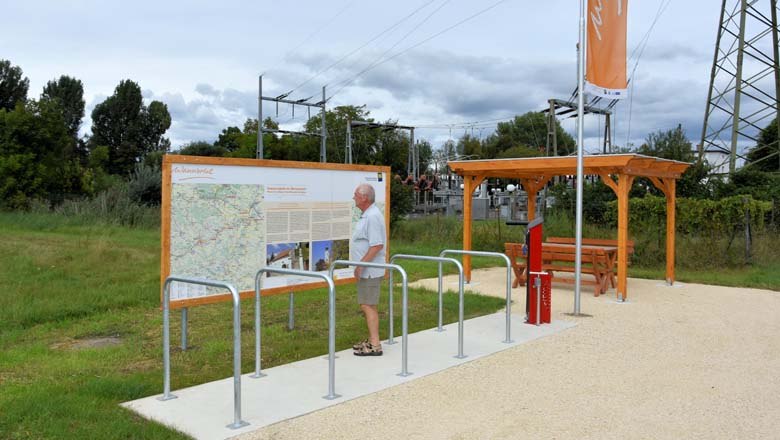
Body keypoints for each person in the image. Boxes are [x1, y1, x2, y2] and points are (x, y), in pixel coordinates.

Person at [351, 183, 386, 356]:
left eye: (356, 194)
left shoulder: (372, 216)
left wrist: (360, 265)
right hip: (368, 269)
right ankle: (372, 340)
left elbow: (376, 245)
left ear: (364, 197)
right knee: (368, 304)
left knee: (367, 305)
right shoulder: (368, 215)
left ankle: (375, 345)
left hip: (370, 270)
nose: (353, 197)